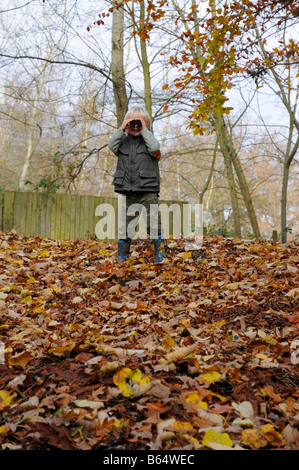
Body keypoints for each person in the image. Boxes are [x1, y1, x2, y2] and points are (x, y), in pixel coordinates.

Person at [108, 106, 165, 263]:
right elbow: (111, 145)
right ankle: (122, 255)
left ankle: (160, 253)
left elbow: (154, 148)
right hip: (130, 191)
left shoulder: (150, 141)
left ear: (146, 124)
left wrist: (144, 130)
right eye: (131, 123)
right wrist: (121, 129)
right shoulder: (123, 142)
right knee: (126, 226)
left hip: (148, 191)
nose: (135, 126)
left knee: (153, 223)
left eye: (139, 123)